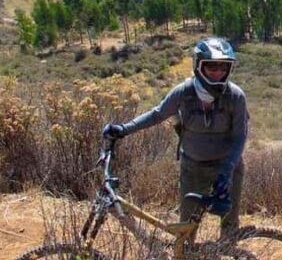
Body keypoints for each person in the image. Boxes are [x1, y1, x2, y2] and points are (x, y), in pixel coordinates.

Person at [102, 37, 249, 239]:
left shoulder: (235, 96)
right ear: (198, 66)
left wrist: (227, 170)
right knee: (186, 227)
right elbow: (157, 114)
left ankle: (230, 252)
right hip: (193, 168)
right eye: (211, 67)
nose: (217, 72)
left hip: (227, 168)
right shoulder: (184, 92)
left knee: (229, 224)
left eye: (223, 68)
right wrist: (123, 129)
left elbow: (240, 137)